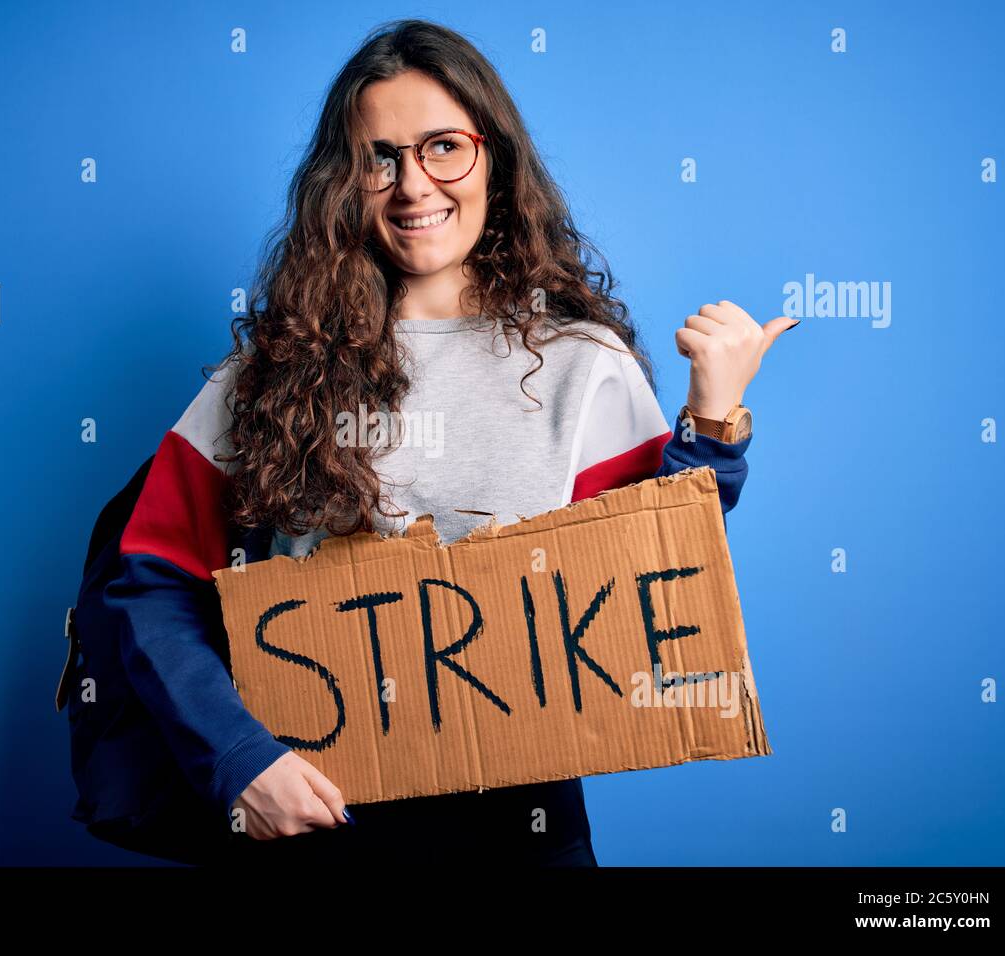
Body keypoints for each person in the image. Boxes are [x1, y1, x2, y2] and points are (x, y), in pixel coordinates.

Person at [101, 18, 795, 868]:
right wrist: (240, 760)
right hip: (316, 828)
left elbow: (654, 576)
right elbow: (150, 582)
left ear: (493, 160)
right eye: (379, 157)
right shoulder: (268, 374)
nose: (412, 184)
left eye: (442, 148)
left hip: (522, 834)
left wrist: (714, 419)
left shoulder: (582, 366)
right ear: (342, 183)